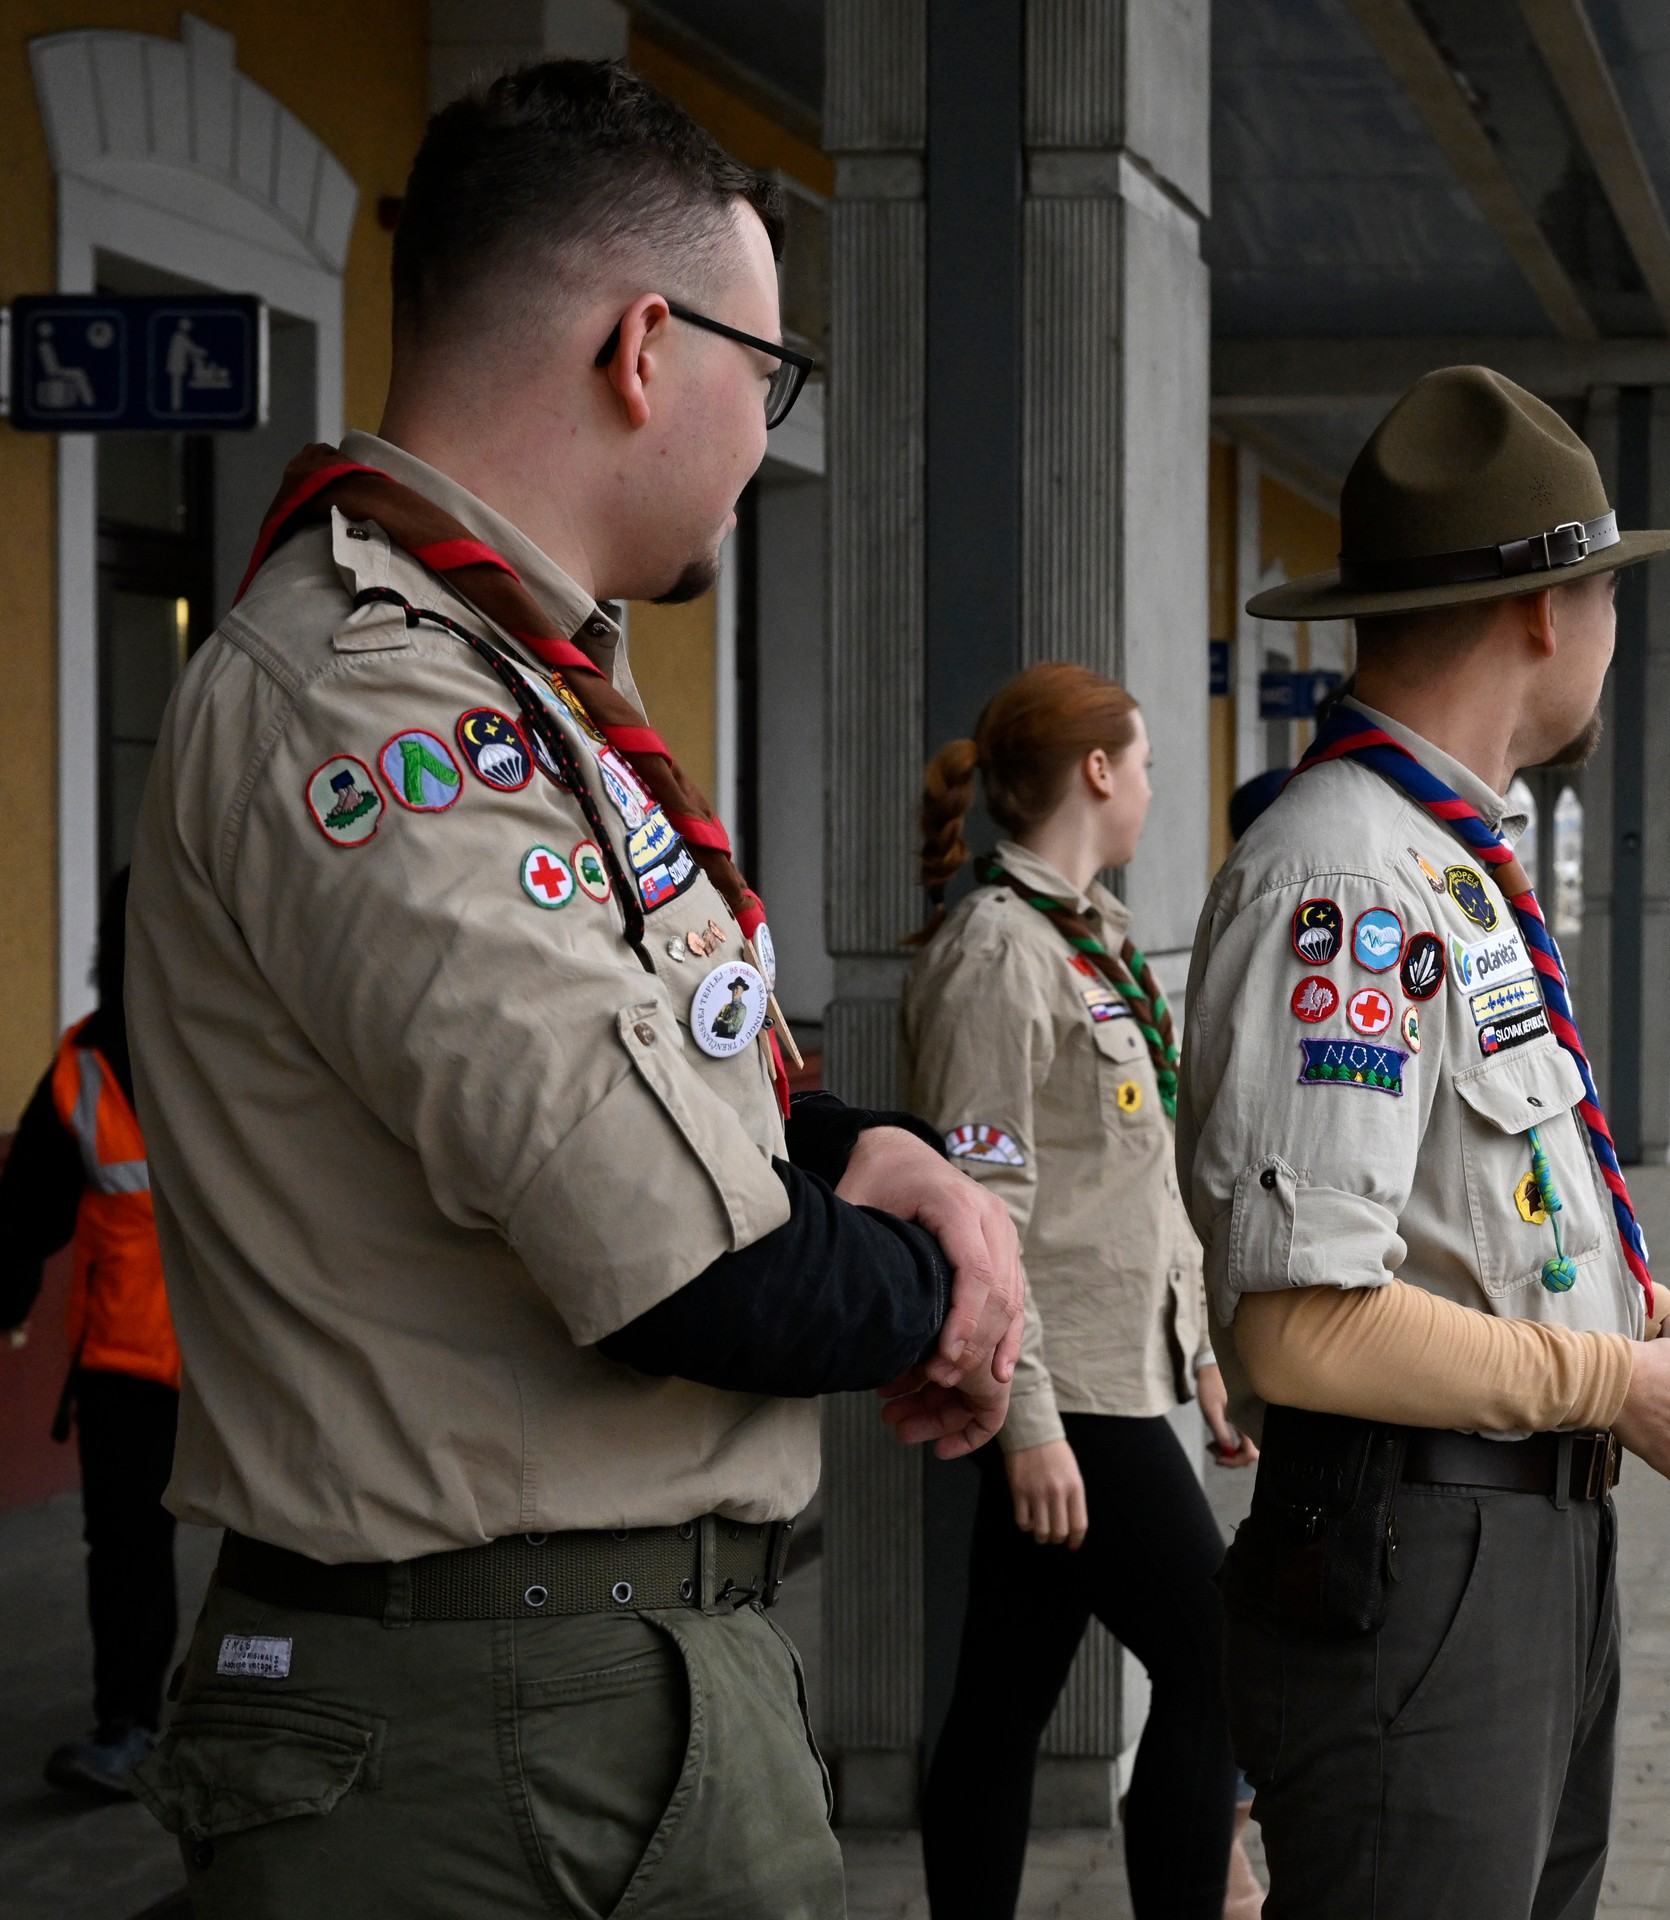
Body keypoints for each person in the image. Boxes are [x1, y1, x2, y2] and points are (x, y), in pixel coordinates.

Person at [124, 62, 1021, 1918]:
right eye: (765, 379)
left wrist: (891, 1155)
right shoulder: (380, 707)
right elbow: (693, 1267)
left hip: (578, 1690)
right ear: (643, 348)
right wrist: (962, 1276)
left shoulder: (514, 683)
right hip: (488, 1734)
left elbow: (700, 1082)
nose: (764, 438)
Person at [1182, 365, 1670, 1919]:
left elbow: (1475, 1216)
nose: (1609, 635)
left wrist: (1658, 1329)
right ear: (1547, 611)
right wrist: (1618, 1383)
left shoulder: (1442, 864)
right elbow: (1300, 1323)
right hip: (1422, 1554)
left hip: (1510, 1546)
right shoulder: (1348, 882)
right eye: (1605, 597)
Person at [904, 663, 1261, 1920]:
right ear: (1098, 773)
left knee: (1000, 1705)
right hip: (1071, 1399)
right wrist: (1033, 1424)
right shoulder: (1000, 956)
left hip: (1118, 1372)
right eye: (1150, 762)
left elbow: (1136, 1180)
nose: (1158, 786)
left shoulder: (1090, 938)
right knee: (1221, 1660)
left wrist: (1203, 1353)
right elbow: (982, 1224)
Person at [0, 870, 182, 1800]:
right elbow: (24, 1212)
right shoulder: (84, 1067)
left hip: (257, 1355)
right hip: (125, 1361)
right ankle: (130, 1725)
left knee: (285, 1542)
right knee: (126, 1550)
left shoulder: (254, 1049)